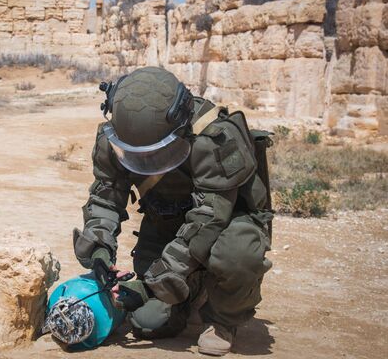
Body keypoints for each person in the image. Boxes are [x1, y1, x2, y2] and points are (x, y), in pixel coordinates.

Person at [73, 66, 273, 356]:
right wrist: (100, 251)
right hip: (166, 223)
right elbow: (105, 198)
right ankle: (192, 289)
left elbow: (208, 219)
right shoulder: (114, 138)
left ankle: (223, 320)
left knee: (237, 254)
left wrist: (155, 283)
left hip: (224, 225)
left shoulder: (213, 138)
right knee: (147, 322)